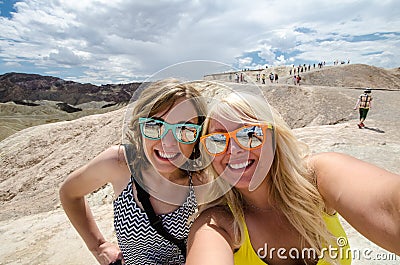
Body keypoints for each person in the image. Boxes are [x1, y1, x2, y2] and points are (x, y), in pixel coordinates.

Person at [186, 91, 400, 265]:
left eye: (250, 134)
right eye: (218, 139)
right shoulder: (217, 224)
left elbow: (389, 207)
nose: (233, 150)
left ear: (274, 136)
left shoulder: (318, 177)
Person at [60, 79, 207, 265]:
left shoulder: (202, 180)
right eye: (155, 125)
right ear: (140, 126)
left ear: (199, 135)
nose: (169, 142)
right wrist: (98, 246)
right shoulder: (120, 163)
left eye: (185, 129)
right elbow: (69, 193)